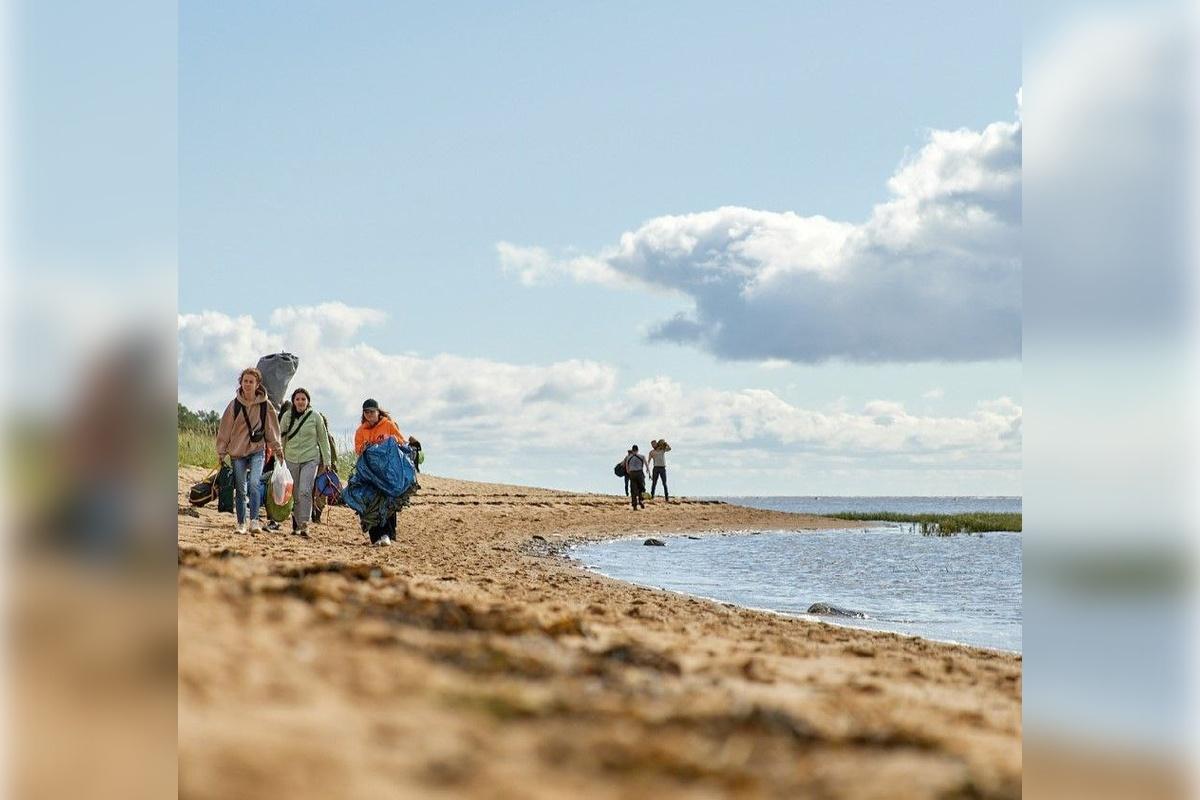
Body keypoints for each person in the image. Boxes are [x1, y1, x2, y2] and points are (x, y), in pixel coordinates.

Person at [215, 367, 282, 534]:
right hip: (237, 452)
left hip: (257, 450)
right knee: (241, 488)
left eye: (251, 381)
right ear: (241, 383)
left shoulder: (266, 405)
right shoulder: (234, 405)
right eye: (245, 381)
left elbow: (271, 429)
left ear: (257, 384)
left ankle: (254, 521)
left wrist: (277, 449)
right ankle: (241, 524)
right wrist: (221, 451)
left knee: (253, 484)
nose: (247, 384)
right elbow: (224, 430)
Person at [279, 387, 331, 538]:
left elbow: (323, 439)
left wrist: (327, 460)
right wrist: (279, 457)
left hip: (310, 458)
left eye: (303, 399)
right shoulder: (287, 416)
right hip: (291, 457)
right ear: (293, 401)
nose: (300, 402)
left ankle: (305, 524)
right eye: (297, 399)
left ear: (308, 401)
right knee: (294, 493)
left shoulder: (315, 417)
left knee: (305, 490)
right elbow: (281, 438)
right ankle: (296, 524)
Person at [354, 398, 405, 545]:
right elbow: (358, 450)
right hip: (369, 472)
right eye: (366, 412)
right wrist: (365, 447)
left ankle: (388, 534)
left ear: (378, 412)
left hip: (388, 472)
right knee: (371, 502)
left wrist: (388, 443)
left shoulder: (388, 425)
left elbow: (401, 441)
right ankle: (375, 537)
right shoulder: (360, 430)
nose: (369, 415)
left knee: (387, 501)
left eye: (372, 411)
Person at [623, 445, 648, 510]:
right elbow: (646, 464)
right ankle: (641, 501)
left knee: (633, 489)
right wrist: (648, 470)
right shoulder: (642, 456)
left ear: (632, 450)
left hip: (632, 473)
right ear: (637, 450)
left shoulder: (628, 457)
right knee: (642, 488)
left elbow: (627, 467)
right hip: (639, 473)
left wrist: (629, 472)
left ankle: (634, 505)